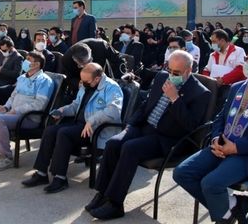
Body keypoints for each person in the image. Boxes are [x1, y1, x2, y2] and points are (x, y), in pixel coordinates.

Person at [174, 43, 248, 224]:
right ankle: (233, 206)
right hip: (221, 147)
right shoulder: (237, 87)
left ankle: (224, 218)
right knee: (182, 173)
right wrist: (216, 138)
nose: (246, 63)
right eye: (246, 59)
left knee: (210, 184)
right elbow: (220, 117)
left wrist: (237, 147)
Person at [87, 51, 211, 220]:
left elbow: (191, 126)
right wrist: (131, 124)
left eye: (177, 73)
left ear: (188, 70)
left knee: (130, 148)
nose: (172, 75)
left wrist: (175, 99)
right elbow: (146, 104)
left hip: (168, 138)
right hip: (144, 127)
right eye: (170, 70)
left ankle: (115, 203)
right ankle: (102, 193)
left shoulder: (200, 92)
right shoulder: (162, 77)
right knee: (113, 143)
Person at [22, 63, 123, 193]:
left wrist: (92, 121)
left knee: (64, 133)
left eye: (86, 81)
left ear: (97, 78)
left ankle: (60, 178)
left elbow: (114, 110)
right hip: (79, 126)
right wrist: (62, 111)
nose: (83, 83)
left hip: (96, 130)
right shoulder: (87, 84)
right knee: (50, 131)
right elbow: (75, 105)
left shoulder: (112, 88)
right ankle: (41, 173)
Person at [0, 51, 54, 171]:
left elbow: (40, 104)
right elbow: (13, 96)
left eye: (29, 59)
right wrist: (6, 107)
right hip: (12, 113)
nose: (26, 62)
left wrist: (16, 110)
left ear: (37, 64)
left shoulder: (44, 81)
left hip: (28, 118)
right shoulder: (22, 78)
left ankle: (6, 157)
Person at [61, 39, 125, 95]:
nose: (89, 67)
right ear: (74, 60)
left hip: (104, 77)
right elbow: (69, 79)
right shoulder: (66, 60)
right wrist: (79, 84)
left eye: (89, 61)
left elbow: (118, 59)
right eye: (83, 65)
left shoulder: (101, 46)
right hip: (84, 85)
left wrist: (123, 75)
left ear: (91, 52)